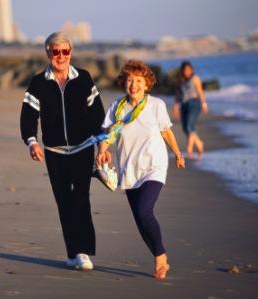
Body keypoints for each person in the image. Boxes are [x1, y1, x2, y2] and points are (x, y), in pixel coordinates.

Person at [19, 32, 105, 271]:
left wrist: (102, 146)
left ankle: (84, 252)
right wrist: (32, 142)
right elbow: (28, 115)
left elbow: (98, 115)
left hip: (83, 148)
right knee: (63, 201)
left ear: (71, 52)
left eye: (65, 51)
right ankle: (72, 252)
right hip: (54, 152)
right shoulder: (38, 82)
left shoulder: (84, 78)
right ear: (48, 53)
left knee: (80, 198)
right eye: (56, 51)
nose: (61, 56)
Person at [96, 60, 185, 280]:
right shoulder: (117, 107)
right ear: (123, 83)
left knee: (145, 211)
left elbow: (166, 132)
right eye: (129, 80)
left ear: (146, 84)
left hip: (154, 165)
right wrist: (102, 151)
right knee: (139, 219)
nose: (133, 85)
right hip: (130, 168)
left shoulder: (156, 105)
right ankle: (159, 252)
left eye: (138, 81)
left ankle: (160, 258)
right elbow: (108, 134)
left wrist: (178, 153)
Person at [173, 61, 208, 159]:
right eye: (185, 70)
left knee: (189, 126)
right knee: (185, 128)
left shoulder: (195, 79)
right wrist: (176, 106)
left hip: (194, 104)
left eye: (189, 70)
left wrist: (204, 104)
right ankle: (199, 143)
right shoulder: (180, 80)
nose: (187, 72)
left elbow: (200, 91)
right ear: (182, 70)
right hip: (184, 104)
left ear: (191, 70)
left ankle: (189, 148)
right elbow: (178, 95)